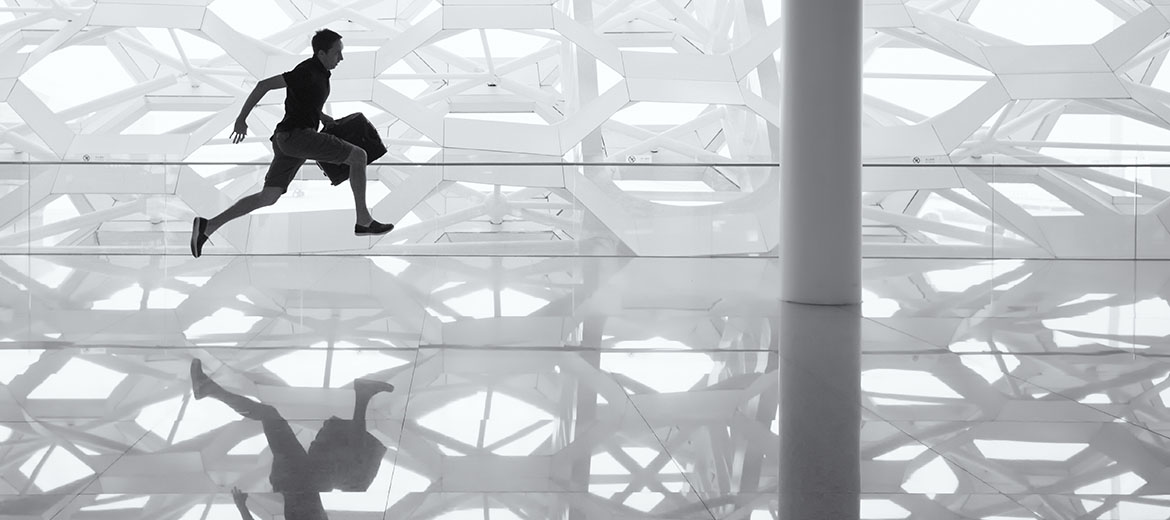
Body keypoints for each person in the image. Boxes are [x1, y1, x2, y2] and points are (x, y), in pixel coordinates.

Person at [190, 29, 393, 258]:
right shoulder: (306, 71)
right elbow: (263, 85)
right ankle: (363, 220)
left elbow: (304, 105)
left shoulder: (322, 74)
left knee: (268, 197)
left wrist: (323, 118)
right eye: (337, 53)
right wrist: (241, 119)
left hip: (289, 139)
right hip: (296, 137)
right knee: (358, 156)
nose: (341, 58)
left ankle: (208, 227)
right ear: (322, 53)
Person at [189, 359, 395, 520]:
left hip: (299, 478)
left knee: (357, 473)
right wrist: (242, 507)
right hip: (302, 478)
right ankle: (207, 388)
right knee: (357, 474)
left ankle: (362, 395)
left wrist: (242, 507)